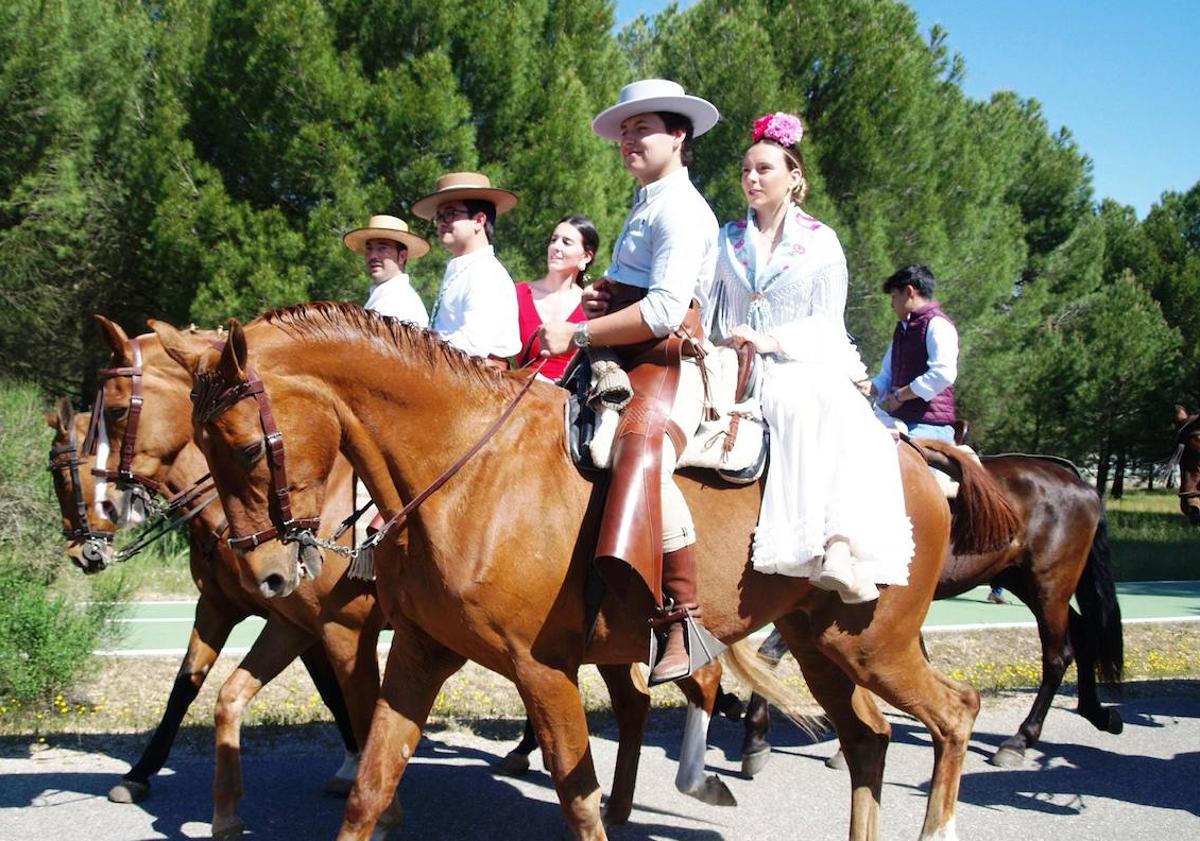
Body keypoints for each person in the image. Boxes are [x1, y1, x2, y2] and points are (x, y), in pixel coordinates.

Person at [539, 79, 720, 684]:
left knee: (638, 449)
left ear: (679, 135)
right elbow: (638, 292)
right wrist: (605, 294)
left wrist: (579, 332)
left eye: (642, 128)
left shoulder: (682, 209)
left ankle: (682, 620)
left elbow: (668, 310)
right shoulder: (646, 203)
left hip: (672, 362)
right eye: (624, 131)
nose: (628, 140)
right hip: (630, 360)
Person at [707, 112, 913, 603]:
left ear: (794, 177)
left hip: (797, 360)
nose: (751, 178)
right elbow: (706, 301)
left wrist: (773, 341)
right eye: (745, 170)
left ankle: (838, 544)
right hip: (731, 360)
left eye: (764, 169)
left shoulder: (820, 242)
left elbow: (827, 322)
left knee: (822, 400)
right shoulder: (726, 238)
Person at [411, 172, 521, 367]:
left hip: (481, 384)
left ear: (478, 220)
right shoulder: (464, 269)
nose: (442, 222)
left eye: (451, 213)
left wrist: (420, 344)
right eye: (439, 216)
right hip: (454, 374)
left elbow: (473, 343)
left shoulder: (486, 273)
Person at [866, 264, 960, 445]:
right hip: (902, 423)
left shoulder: (938, 325)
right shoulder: (902, 331)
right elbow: (886, 378)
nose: (892, 305)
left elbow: (943, 374)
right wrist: (869, 389)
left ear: (909, 292)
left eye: (894, 297)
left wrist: (901, 395)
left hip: (930, 428)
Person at [514, 215, 597, 380]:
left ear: (586, 257)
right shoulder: (518, 294)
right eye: (554, 240)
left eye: (566, 242)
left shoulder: (592, 304)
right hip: (520, 397)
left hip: (571, 401)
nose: (555, 247)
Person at [342, 214, 431, 326]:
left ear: (402, 256)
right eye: (369, 249)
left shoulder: (400, 301)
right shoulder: (385, 295)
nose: (373, 255)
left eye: (382, 248)